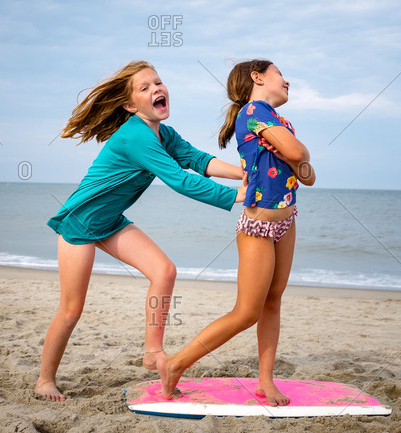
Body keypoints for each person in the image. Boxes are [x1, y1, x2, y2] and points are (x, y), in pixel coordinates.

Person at [35, 60, 248, 401]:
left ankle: (152, 351)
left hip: (109, 220)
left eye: (158, 83)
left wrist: (244, 173)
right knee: (72, 309)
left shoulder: (163, 133)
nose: (156, 89)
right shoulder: (135, 135)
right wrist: (236, 195)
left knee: (164, 271)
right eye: (145, 87)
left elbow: (195, 159)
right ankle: (45, 380)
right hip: (79, 222)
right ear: (131, 105)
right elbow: (178, 180)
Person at [157, 59, 315, 406]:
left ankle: (265, 381)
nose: (286, 80)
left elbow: (308, 174)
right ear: (258, 78)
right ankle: (175, 363)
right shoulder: (253, 113)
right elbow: (299, 155)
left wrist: (295, 156)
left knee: (273, 303)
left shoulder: (279, 120)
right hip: (259, 224)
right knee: (246, 312)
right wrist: (295, 154)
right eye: (279, 74)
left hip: (287, 220)